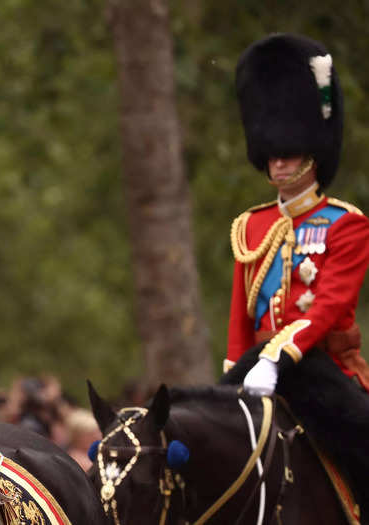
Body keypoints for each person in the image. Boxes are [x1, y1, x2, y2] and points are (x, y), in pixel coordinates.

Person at [224, 33, 369, 516]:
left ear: (313, 152)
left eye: (288, 152)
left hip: (322, 367)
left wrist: (278, 358)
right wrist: (236, 371)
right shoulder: (252, 226)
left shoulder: (346, 224)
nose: (278, 161)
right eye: (272, 153)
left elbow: (328, 307)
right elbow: (239, 317)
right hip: (256, 367)